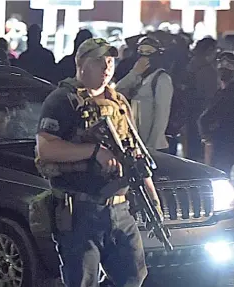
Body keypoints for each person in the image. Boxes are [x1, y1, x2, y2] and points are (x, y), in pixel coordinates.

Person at [35, 38, 163, 287]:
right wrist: (94, 151)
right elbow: (46, 149)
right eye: (99, 61)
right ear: (81, 63)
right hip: (81, 210)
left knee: (133, 277)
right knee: (84, 280)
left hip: (120, 209)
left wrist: (152, 197)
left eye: (110, 61)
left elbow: (135, 152)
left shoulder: (119, 103)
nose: (107, 68)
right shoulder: (62, 100)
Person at [116, 36, 174, 151]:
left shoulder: (162, 79)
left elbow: (161, 116)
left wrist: (152, 146)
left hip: (152, 146)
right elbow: (117, 91)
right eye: (141, 52)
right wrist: (134, 72)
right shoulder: (137, 76)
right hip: (136, 142)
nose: (144, 57)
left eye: (148, 53)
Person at [198, 51, 234, 174]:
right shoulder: (221, 91)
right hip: (222, 141)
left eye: (229, 65)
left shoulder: (227, 92)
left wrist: (206, 131)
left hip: (225, 141)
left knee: (220, 174)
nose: (224, 69)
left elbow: (209, 116)